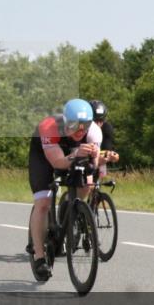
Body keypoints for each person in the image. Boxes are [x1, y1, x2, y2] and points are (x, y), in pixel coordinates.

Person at [27, 99, 98, 280]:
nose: (80, 131)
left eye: (85, 126)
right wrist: (76, 154)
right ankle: (39, 256)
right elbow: (57, 163)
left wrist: (94, 158)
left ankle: (69, 208)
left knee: (86, 184)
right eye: (74, 125)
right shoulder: (49, 127)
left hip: (73, 151)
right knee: (43, 202)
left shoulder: (94, 132)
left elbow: (93, 167)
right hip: (44, 156)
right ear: (66, 122)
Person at [86, 99, 119, 177]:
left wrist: (112, 156)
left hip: (97, 160)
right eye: (94, 121)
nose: (98, 124)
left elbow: (107, 150)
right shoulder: (82, 128)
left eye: (101, 120)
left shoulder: (107, 128)